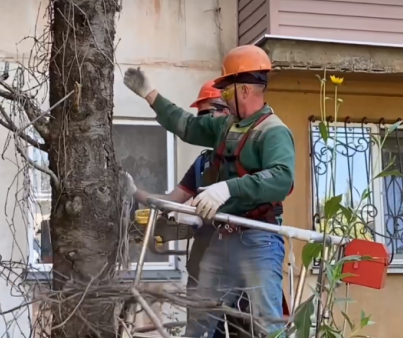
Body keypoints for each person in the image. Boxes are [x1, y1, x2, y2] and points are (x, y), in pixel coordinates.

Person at [123, 45, 295, 337]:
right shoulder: (226, 127)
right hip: (222, 240)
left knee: (267, 326)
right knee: (199, 325)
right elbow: (188, 126)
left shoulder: (273, 132)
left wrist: (228, 188)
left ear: (243, 91)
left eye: (226, 92)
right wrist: (151, 95)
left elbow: (282, 179)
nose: (223, 98)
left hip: (258, 240)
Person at [123, 80, 231, 327]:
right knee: (201, 324)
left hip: (240, 248)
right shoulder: (203, 162)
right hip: (205, 251)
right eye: (199, 115)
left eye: (207, 113)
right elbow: (173, 201)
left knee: (242, 325)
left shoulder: (244, 156)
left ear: (226, 112)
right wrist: (135, 191)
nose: (202, 120)